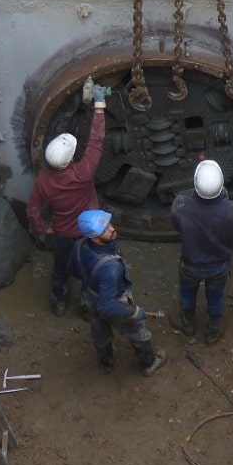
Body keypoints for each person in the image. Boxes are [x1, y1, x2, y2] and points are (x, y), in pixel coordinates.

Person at [26, 85, 106, 316]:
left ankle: (58, 303)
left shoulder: (43, 180)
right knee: (90, 268)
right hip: (89, 232)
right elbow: (96, 142)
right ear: (71, 158)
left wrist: (44, 228)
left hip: (62, 235)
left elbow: (32, 210)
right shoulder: (83, 174)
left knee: (60, 269)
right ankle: (86, 306)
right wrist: (99, 106)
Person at [71, 209, 167, 376]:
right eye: (105, 230)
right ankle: (148, 363)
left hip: (90, 297)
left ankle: (107, 363)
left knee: (99, 331)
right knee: (137, 331)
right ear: (94, 237)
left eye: (109, 224)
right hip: (113, 301)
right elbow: (108, 306)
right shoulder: (111, 268)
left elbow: (73, 270)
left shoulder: (79, 246)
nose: (111, 229)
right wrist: (133, 311)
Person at [171, 159, 233, 345]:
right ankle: (212, 332)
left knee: (187, 294)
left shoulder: (180, 205)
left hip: (190, 264)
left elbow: (177, 227)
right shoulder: (232, 210)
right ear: (221, 185)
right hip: (219, 265)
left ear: (195, 183)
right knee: (215, 297)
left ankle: (188, 326)